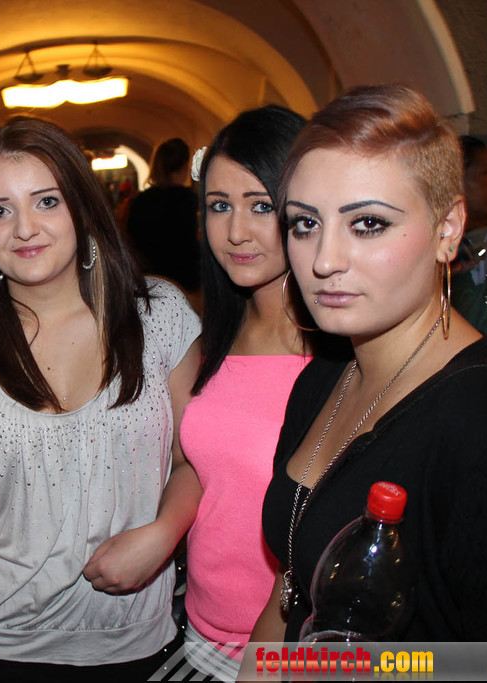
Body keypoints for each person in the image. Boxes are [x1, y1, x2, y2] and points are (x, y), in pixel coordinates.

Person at [249, 85, 487, 649]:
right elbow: (289, 590)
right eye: (304, 224)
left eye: (368, 223)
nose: (324, 260)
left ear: (448, 229)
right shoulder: (324, 377)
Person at [0, 117, 202, 682]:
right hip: (9, 652)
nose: (24, 228)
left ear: (82, 206)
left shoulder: (157, 315)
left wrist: (164, 533)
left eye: (47, 201)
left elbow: (195, 459)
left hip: (147, 644)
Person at [179, 105, 313, 680]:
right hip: (200, 630)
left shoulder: (340, 356)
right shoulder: (215, 337)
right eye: (219, 206)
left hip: (292, 646)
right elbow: (207, 468)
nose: (236, 232)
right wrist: (160, 532)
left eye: (261, 206)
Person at [126, 137, 201, 292]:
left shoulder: (140, 201)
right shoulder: (189, 200)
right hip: (185, 280)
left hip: (150, 281)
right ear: (184, 166)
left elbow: (132, 244)